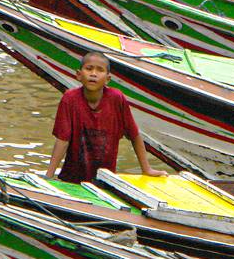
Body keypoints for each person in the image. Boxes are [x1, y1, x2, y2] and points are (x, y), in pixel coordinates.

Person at [46, 51, 163, 183]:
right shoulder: (70, 99)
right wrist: (49, 175)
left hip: (105, 179)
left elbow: (134, 135)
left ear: (108, 79)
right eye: (89, 69)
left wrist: (146, 169)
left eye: (100, 70)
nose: (93, 74)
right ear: (79, 75)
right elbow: (62, 140)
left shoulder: (116, 99)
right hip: (72, 178)